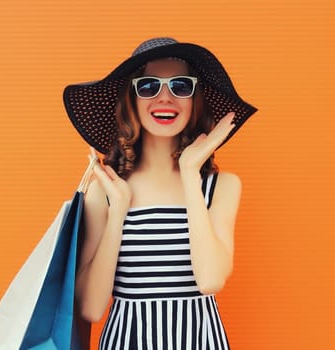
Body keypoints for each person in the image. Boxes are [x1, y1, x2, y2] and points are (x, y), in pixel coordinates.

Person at [63, 37, 257, 349]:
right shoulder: (105, 190)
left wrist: (191, 173)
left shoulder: (222, 186)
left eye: (180, 86)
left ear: (195, 100)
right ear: (131, 99)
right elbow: (91, 308)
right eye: (149, 86)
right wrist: (119, 211)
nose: (164, 98)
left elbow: (210, 280)